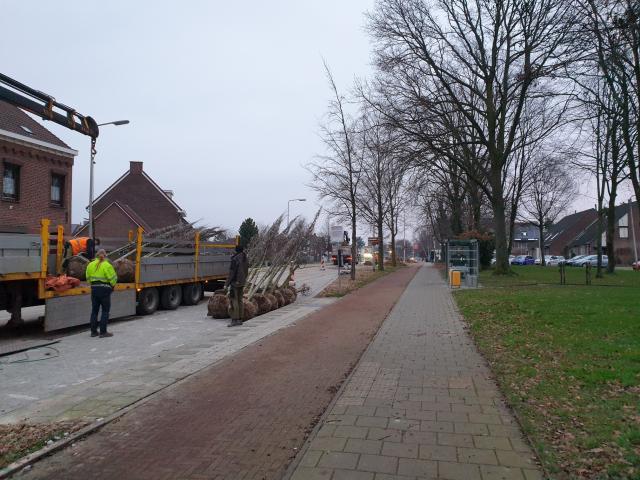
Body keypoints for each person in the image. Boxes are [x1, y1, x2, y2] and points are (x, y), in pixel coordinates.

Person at [85, 248, 117, 338]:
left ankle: (93, 332)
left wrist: (93, 284)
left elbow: (87, 278)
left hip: (94, 289)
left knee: (94, 311)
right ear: (105, 255)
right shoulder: (107, 265)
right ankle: (103, 332)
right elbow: (113, 278)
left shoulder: (90, 265)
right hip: (105, 290)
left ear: (96, 255)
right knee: (105, 311)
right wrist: (112, 286)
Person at [225, 245, 249, 327]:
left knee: (233, 300)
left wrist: (226, 284)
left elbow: (232, 273)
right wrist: (243, 280)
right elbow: (246, 271)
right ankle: (240, 319)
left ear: (236, 251)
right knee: (240, 300)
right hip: (242, 282)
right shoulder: (245, 258)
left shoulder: (234, 259)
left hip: (235, 282)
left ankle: (234, 320)